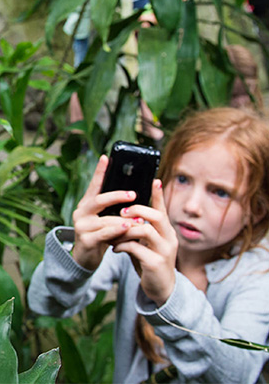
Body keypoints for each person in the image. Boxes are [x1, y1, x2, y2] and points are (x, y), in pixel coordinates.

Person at [28, 108, 269, 383]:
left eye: (220, 192)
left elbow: (237, 375)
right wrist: (79, 261)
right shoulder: (136, 240)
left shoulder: (258, 276)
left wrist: (169, 294)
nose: (192, 206)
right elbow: (42, 305)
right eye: (182, 179)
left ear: (257, 209)